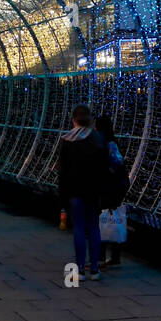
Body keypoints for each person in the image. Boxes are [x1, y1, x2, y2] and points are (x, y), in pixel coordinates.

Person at [58, 104, 107, 282]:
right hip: (93, 191)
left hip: (74, 190)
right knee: (93, 227)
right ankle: (94, 269)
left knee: (78, 228)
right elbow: (104, 168)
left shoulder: (66, 140)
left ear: (74, 120)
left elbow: (62, 170)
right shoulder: (98, 139)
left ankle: (79, 270)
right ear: (90, 120)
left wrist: (62, 194)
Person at [94, 114, 128, 269]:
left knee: (101, 219)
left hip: (107, 187)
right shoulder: (112, 141)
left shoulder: (105, 143)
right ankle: (114, 256)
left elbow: (113, 166)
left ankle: (101, 257)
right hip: (115, 186)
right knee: (112, 219)